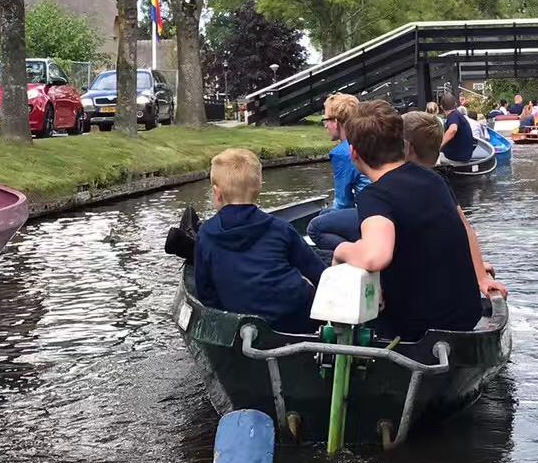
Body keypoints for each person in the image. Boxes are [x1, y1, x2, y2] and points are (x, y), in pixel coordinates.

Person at [333, 102, 483, 340]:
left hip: (419, 329)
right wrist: (482, 276)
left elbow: (376, 256)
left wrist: (341, 251)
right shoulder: (434, 179)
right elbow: (465, 228)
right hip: (465, 315)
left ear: (354, 154)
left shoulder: (374, 195)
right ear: (401, 145)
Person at [194, 148, 326, 334]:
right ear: (259, 188)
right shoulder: (280, 228)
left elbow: (205, 292)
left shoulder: (206, 234)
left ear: (217, 193)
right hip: (295, 320)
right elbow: (317, 272)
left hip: (240, 324)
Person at [401, 111, 508, 300]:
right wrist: (479, 273)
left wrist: (478, 272)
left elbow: (462, 227)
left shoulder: (429, 183)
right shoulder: (439, 181)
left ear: (407, 147)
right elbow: (465, 226)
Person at [306, 93, 370, 253]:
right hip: (376, 207)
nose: (325, 125)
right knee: (324, 213)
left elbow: (344, 203)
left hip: (368, 213)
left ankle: (355, 254)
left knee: (315, 227)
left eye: (325, 120)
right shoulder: (366, 141)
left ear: (336, 122)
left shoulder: (343, 153)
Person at [438, 92, 476, 163]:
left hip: (456, 158)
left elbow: (453, 130)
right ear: (455, 104)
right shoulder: (458, 115)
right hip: (465, 156)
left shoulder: (453, 116)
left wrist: (439, 146)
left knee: (429, 158)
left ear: (441, 107)